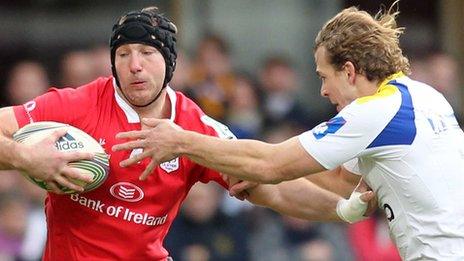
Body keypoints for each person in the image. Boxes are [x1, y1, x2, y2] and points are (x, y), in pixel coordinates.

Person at [0, 6, 371, 260]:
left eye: (147, 52)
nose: (134, 66)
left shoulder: (195, 127)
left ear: (171, 63)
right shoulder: (78, 104)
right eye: (124, 53)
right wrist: (24, 157)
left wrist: (343, 209)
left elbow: (269, 186)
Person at [112, 4, 464, 260]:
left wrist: (181, 140)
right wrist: (342, 208)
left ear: (350, 71)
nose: (324, 91)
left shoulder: (374, 112)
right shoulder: (421, 96)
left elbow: (273, 163)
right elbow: (344, 181)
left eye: (324, 77)